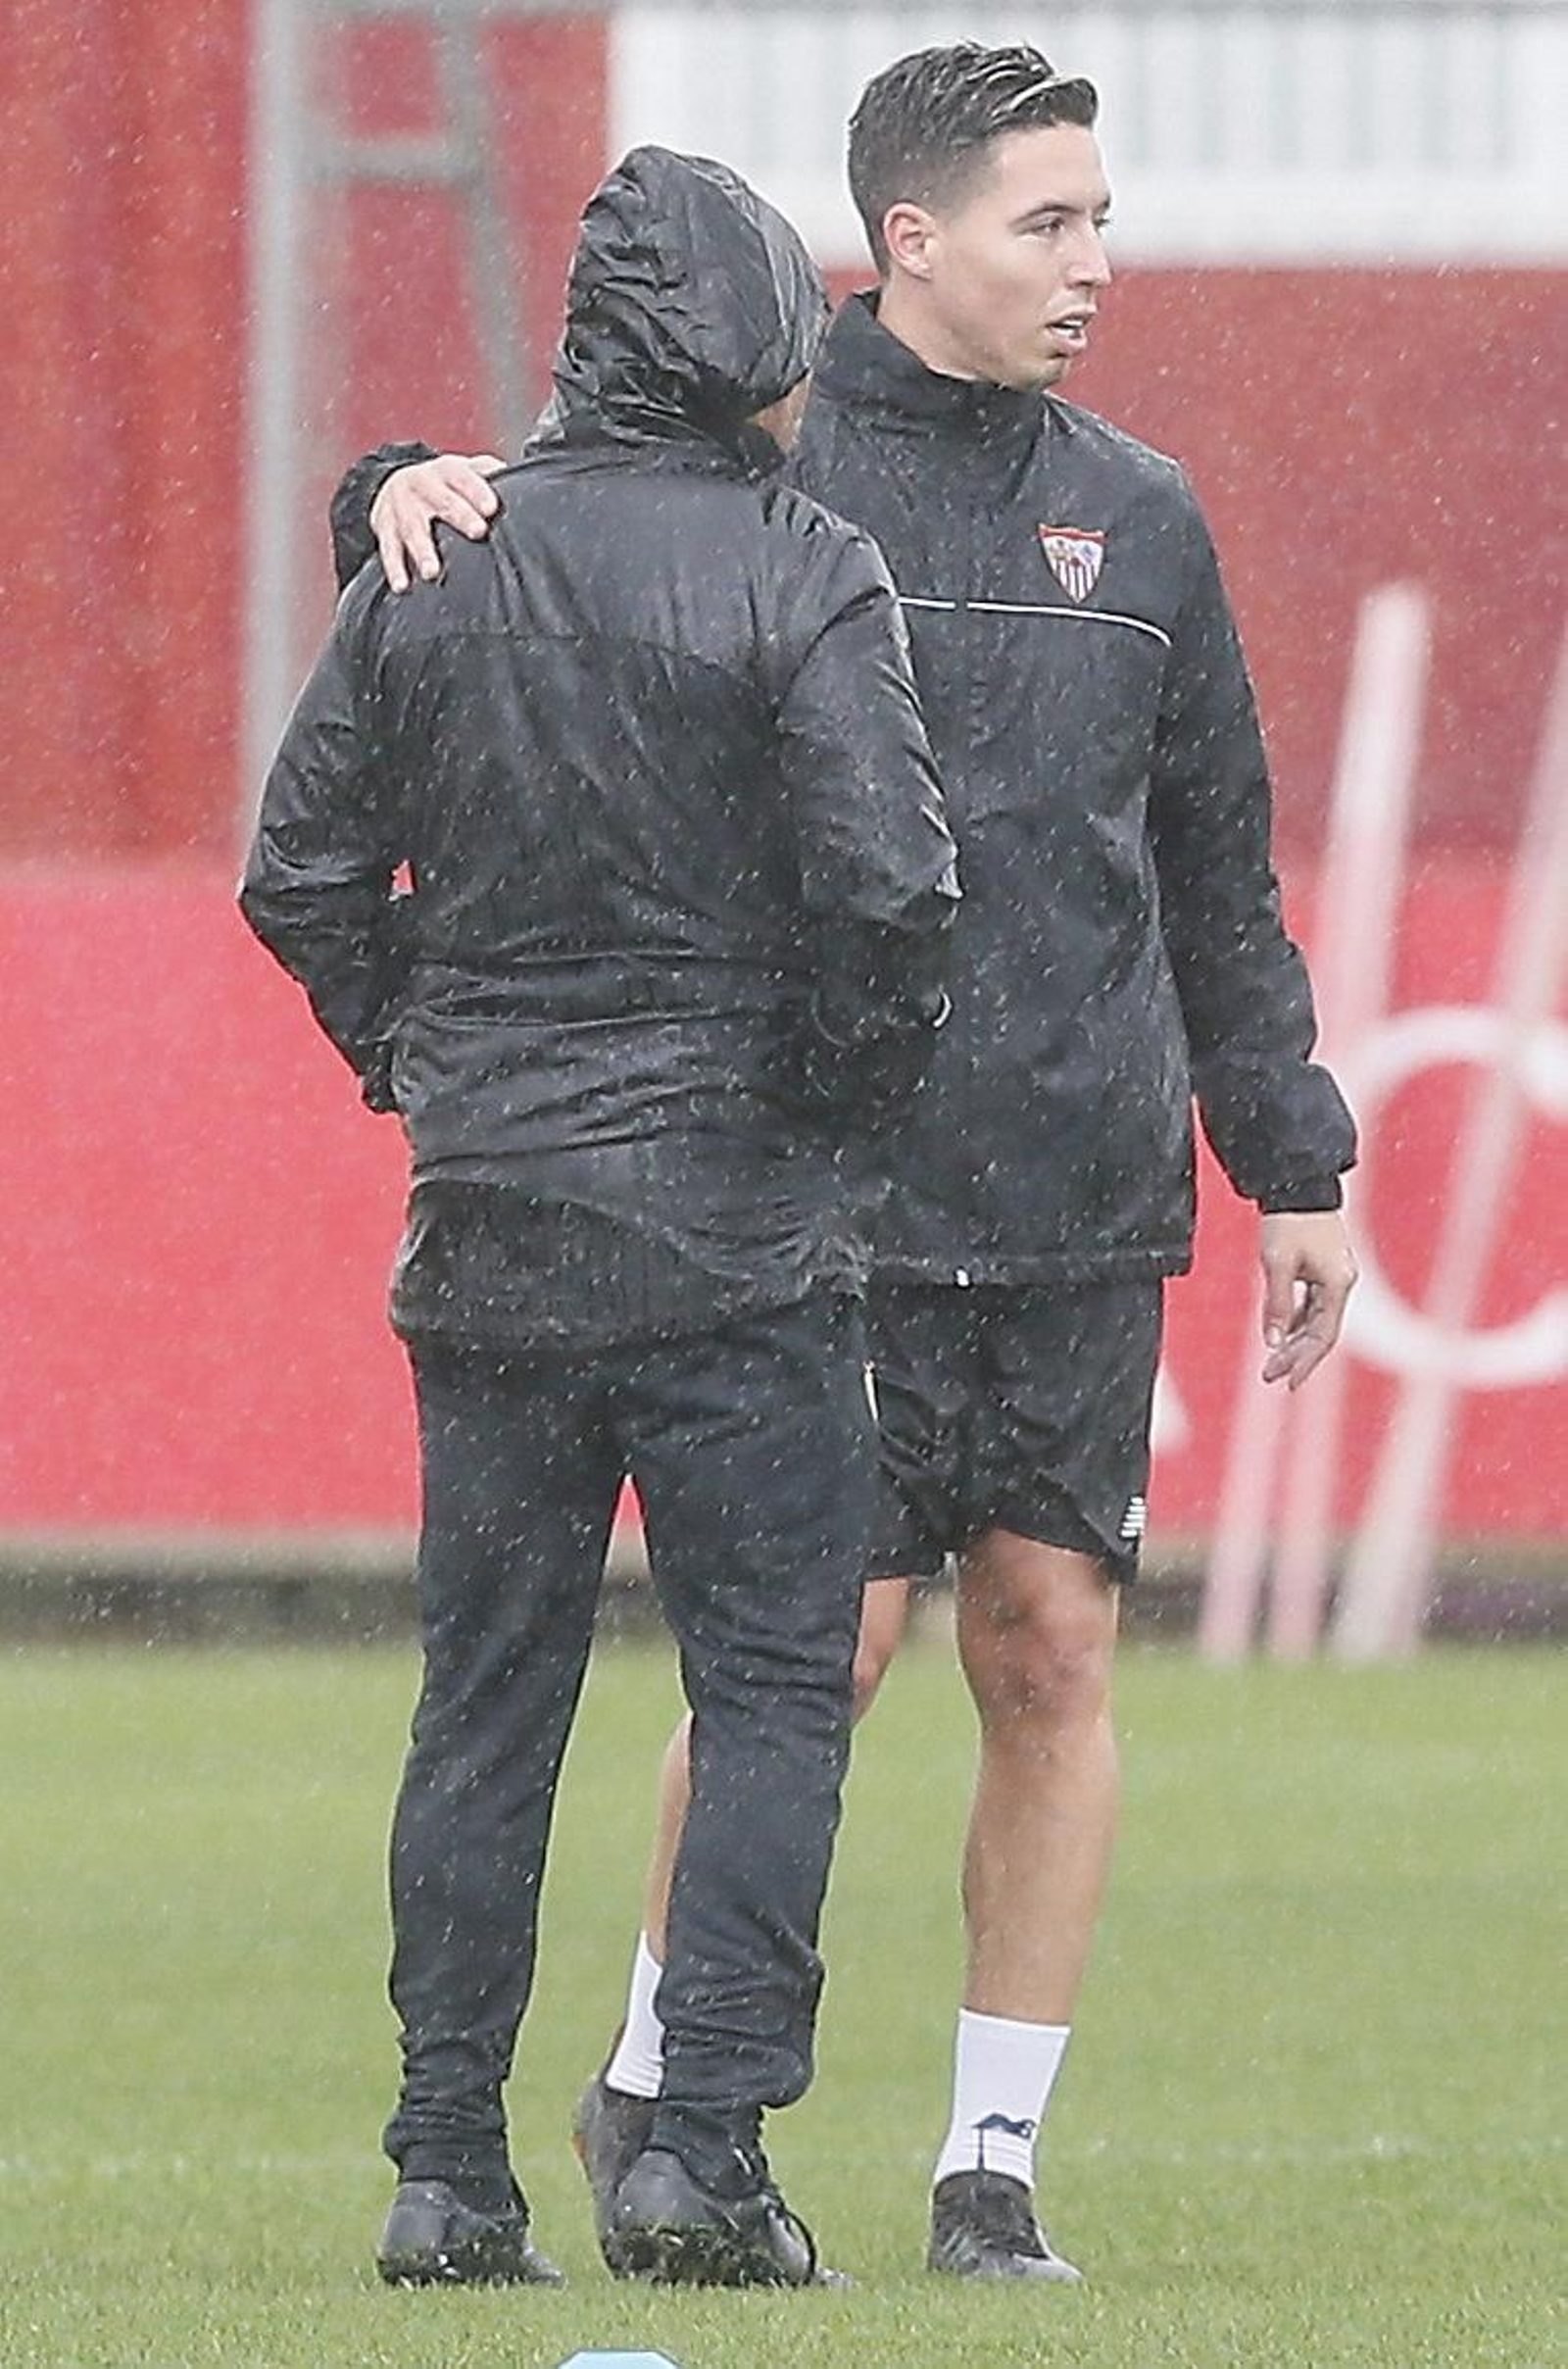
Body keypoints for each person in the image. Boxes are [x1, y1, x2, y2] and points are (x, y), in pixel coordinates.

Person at [331, 40, 1358, 2287]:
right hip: (819, 1187)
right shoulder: (776, 469)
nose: (1096, 262)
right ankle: (658, 2086)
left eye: (1101, 217)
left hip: (1073, 1182)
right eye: (1049, 222)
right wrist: (393, 477)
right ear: (909, 243)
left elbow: (1213, 866)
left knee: (1047, 1643)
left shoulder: (1145, 516)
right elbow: (533, 527)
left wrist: (1289, 1155)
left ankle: (986, 2166)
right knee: (822, 1653)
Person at [241, 142, 958, 2292]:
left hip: (495, 1228)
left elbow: (297, 878)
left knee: (486, 1709)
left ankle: (445, 2169)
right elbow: (895, 892)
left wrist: (424, 1060)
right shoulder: (799, 564)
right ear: (753, 337)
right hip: (738, 1236)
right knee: (767, 1689)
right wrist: (826, 1109)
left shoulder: (437, 553)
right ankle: (701, 2157)